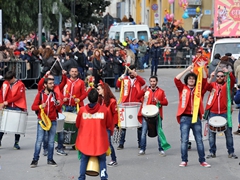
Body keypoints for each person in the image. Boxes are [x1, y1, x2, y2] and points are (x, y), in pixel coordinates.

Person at [174, 64, 211, 168]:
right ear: (187, 80)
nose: (191, 80)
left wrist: (202, 68)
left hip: (196, 118)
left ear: (195, 81)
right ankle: (184, 160)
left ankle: (202, 160)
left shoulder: (199, 91)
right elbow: (176, 79)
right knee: (184, 140)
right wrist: (188, 69)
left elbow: (204, 80)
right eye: (189, 78)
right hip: (184, 117)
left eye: (193, 79)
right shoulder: (182, 88)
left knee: (199, 140)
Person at [75, 89, 112, 180]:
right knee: (102, 160)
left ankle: (81, 178)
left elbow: (77, 124)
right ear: (97, 98)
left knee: (84, 160)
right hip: (100, 141)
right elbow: (109, 125)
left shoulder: (82, 110)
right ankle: (103, 177)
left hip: (86, 141)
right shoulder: (104, 110)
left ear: (88, 98)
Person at [204, 69, 238, 159]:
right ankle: (212, 152)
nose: (219, 77)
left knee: (228, 133)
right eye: (218, 76)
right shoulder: (212, 85)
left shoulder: (227, 85)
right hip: (212, 113)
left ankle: (231, 152)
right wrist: (210, 78)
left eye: (222, 76)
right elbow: (205, 86)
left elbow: (233, 80)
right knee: (211, 134)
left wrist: (229, 72)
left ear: (224, 77)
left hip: (225, 113)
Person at [30, 78, 62, 168]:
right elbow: (33, 107)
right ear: (45, 85)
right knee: (39, 141)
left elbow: (58, 109)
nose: (52, 85)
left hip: (52, 121)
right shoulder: (40, 95)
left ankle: (50, 159)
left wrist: (59, 104)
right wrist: (40, 106)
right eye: (50, 83)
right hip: (42, 120)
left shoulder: (54, 95)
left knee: (51, 142)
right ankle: (35, 160)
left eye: (53, 83)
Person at [37, 70, 68, 156]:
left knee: (60, 131)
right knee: (46, 134)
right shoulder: (42, 89)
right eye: (49, 80)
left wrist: (63, 75)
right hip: (46, 115)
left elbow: (64, 82)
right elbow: (39, 84)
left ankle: (60, 148)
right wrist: (44, 76)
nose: (52, 82)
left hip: (57, 113)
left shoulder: (57, 87)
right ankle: (46, 149)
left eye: (53, 80)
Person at [116, 65, 145, 150]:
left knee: (139, 125)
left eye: (133, 71)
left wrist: (137, 76)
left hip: (136, 104)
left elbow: (143, 83)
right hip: (125, 104)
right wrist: (120, 79)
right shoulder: (125, 79)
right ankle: (121, 143)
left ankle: (140, 143)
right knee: (124, 126)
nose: (131, 73)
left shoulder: (138, 80)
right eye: (130, 71)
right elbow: (118, 85)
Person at [137, 76, 168, 156]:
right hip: (146, 114)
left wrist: (160, 102)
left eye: (154, 81)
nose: (152, 83)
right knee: (144, 132)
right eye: (151, 81)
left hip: (157, 115)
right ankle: (142, 149)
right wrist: (142, 91)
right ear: (149, 82)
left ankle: (161, 149)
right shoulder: (146, 90)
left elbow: (166, 102)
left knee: (159, 132)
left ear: (156, 82)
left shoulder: (161, 91)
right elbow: (137, 97)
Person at [0, 71, 27, 149]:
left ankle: (16, 142)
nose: (8, 82)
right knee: (3, 125)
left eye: (9, 80)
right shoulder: (5, 83)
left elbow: (18, 96)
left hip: (17, 106)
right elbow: (1, 93)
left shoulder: (20, 84)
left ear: (13, 78)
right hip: (7, 106)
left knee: (17, 126)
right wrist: (1, 103)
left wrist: (7, 102)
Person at [97, 80, 118, 167]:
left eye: (99, 89)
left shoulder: (112, 101)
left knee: (108, 143)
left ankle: (114, 159)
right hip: (100, 125)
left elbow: (115, 113)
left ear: (104, 89)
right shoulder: (100, 100)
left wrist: (116, 125)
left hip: (108, 125)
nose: (97, 90)